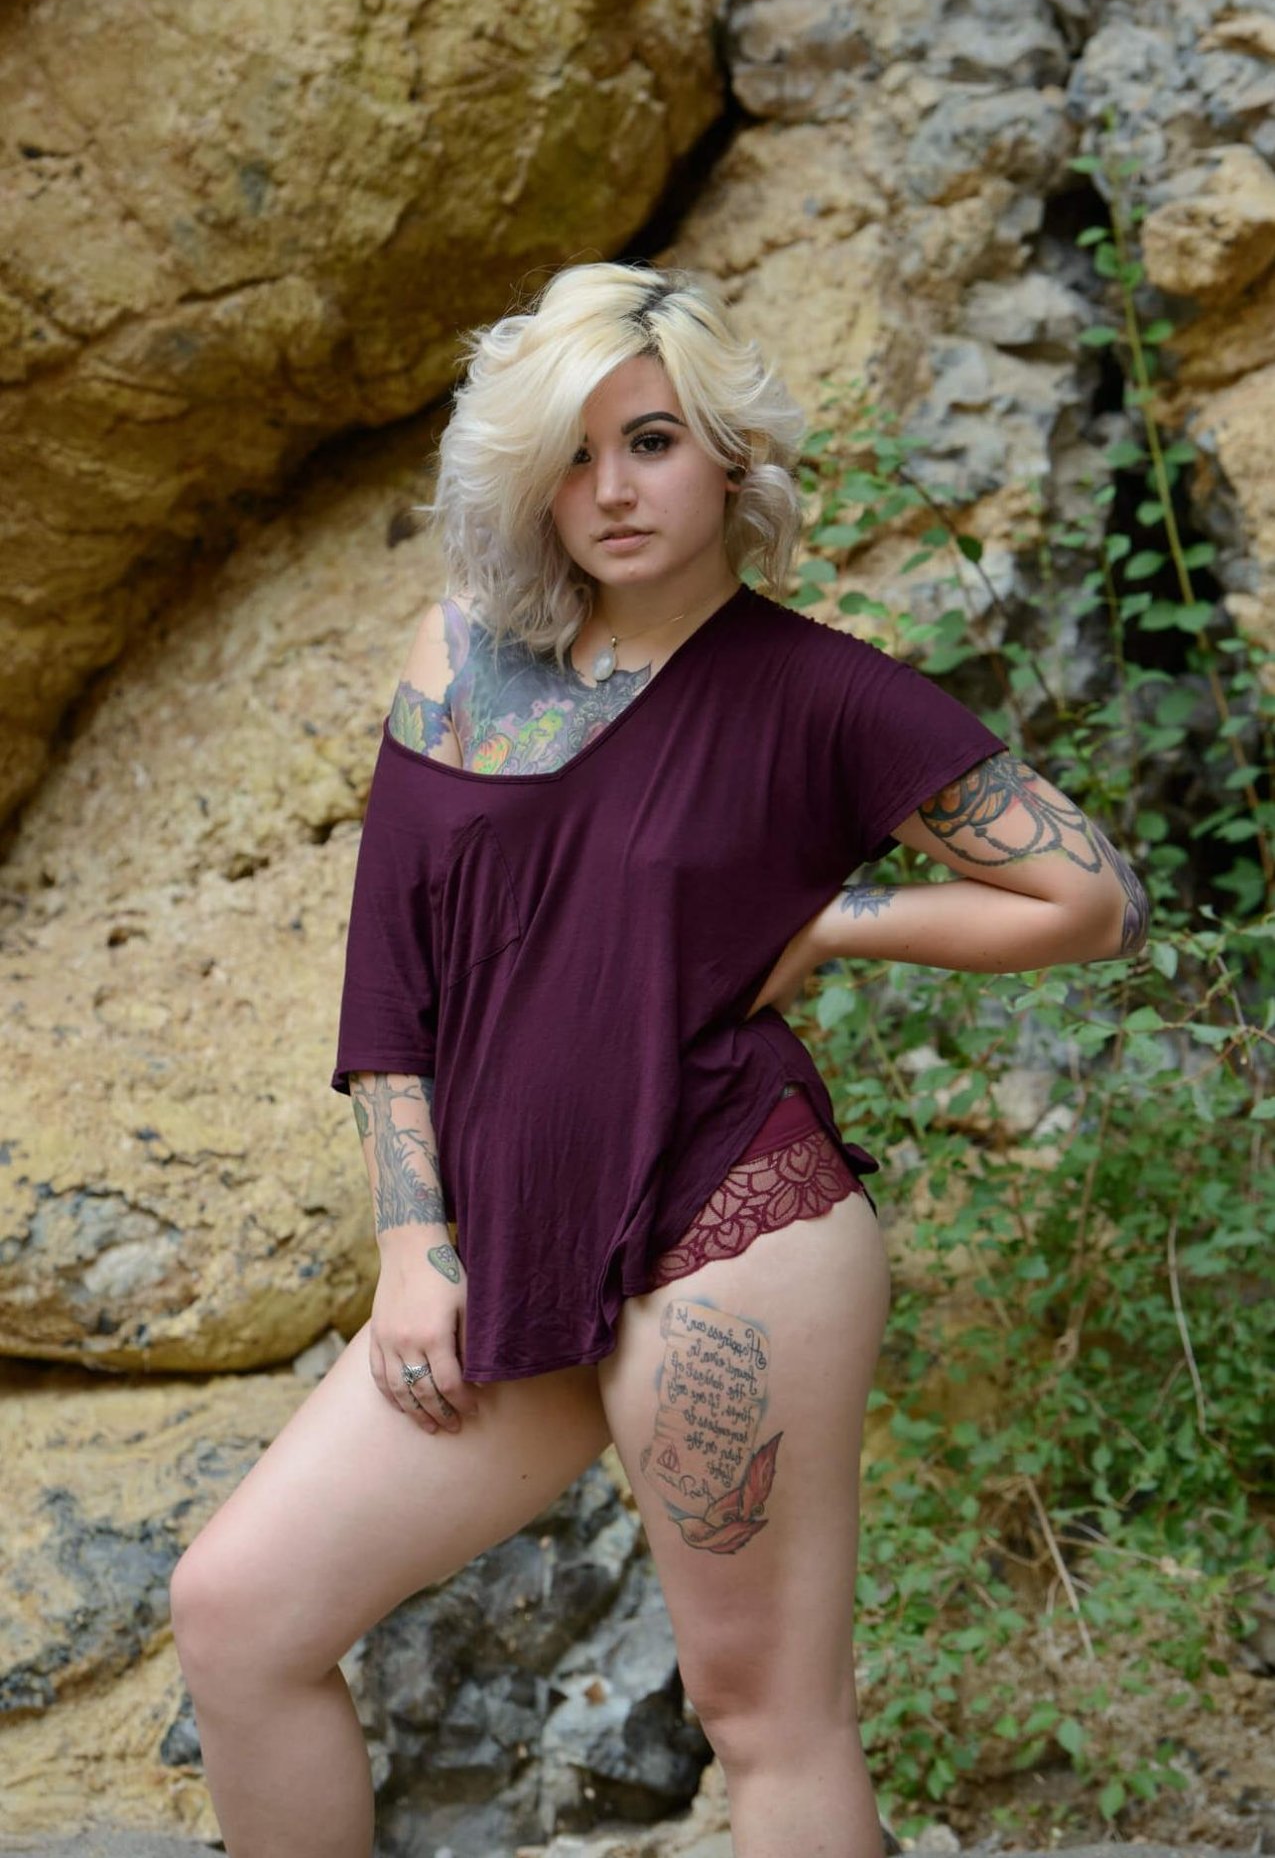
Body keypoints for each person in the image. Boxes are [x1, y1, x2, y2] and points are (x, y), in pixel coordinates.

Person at [170, 262, 1149, 1858]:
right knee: (236, 1615)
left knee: (764, 1714)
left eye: (651, 442)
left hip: (729, 1219)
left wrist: (837, 920)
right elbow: (391, 977)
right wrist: (414, 1245)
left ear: (728, 458)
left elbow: (1092, 897)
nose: (611, 490)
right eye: (572, 455)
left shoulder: (821, 692)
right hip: (506, 1237)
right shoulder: (460, 658)